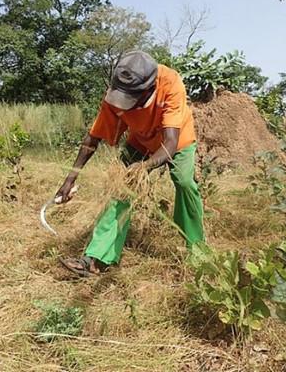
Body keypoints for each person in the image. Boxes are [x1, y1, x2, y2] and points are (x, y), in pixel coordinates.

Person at [56, 50, 204, 276]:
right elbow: (92, 140)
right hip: (141, 140)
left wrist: (143, 168)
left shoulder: (170, 83)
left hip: (177, 139)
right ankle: (96, 259)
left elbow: (170, 144)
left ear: (149, 88)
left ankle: (197, 252)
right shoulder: (115, 96)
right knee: (120, 190)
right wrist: (70, 178)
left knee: (184, 183)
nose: (124, 106)